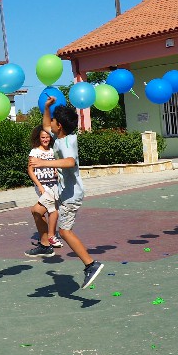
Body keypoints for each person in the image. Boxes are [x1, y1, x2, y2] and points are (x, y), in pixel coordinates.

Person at [28, 97, 105, 289]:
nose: (50, 123)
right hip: (62, 192)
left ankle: (91, 264)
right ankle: (45, 245)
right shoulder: (59, 138)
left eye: (54, 120)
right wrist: (47, 108)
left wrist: (43, 163)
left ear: (60, 125)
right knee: (37, 210)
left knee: (64, 231)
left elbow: (70, 162)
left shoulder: (68, 142)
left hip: (72, 196)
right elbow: (46, 124)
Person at [25, 124, 63, 257]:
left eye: (47, 137)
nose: (45, 139)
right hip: (43, 187)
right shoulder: (35, 152)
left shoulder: (53, 151)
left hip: (54, 185)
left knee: (52, 210)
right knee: (40, 210)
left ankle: (49, 238)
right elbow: (30, 170)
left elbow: (58, 165)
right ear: (38, 138)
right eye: (43, 137)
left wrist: (57, 171)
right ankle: (47, 240)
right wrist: (39, 186)